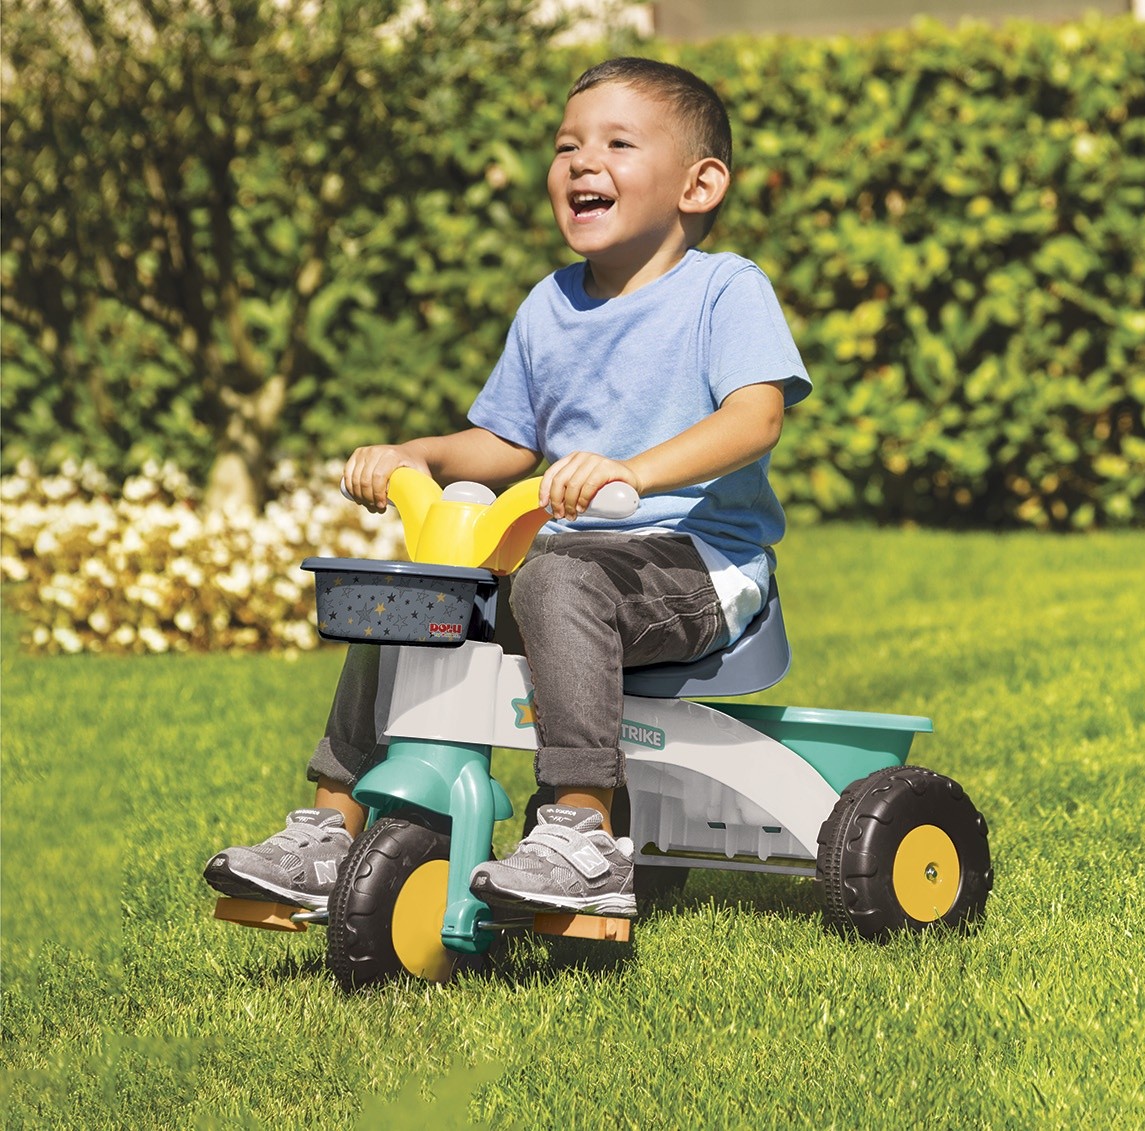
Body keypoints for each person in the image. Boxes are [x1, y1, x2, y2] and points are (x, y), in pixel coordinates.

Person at [204, 57, 810, 919]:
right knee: (410, 596)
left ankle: (583, 833)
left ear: (698, 185)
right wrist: (416, 453)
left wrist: (633, 470)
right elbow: (505, 441)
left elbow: (755, 417)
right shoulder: (549, 305)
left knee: (559, 577)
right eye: (567, 146)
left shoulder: (723, 289)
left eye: (617, 143)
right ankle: (330, 830)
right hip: (566, 567)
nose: (582, 160)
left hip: (697, 566)